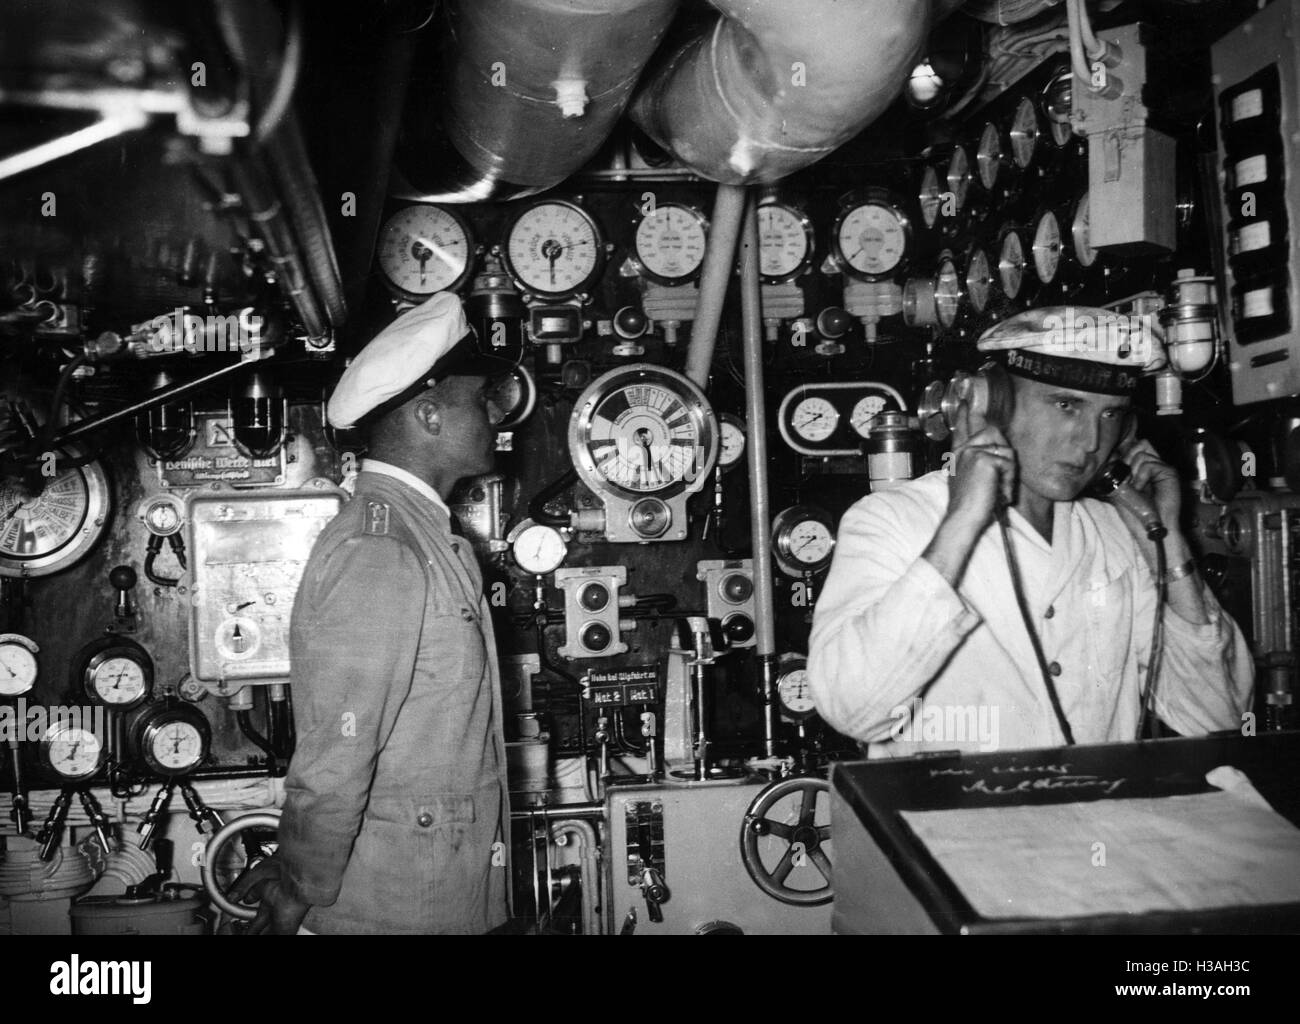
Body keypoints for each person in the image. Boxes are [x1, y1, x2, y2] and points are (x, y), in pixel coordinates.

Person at [808, 307, 1255, 755]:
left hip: (1097, 819)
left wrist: (1163, 536)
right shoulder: (893, 521)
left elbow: (1220, 714)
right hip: (956, 820)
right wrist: (961, 523)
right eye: (1066, 406)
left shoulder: (1115, 534)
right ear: (990, 402)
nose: (1090, 443)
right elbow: (852, 710)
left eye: (1110, 416)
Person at [230, 292, 518, 933]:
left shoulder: (420, 535)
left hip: (436, 887)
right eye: (480, 398)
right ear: (431, 416)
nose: (496, 411)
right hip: (396, 906)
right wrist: (299, 883)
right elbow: (340, 747)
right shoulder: (380, 547)